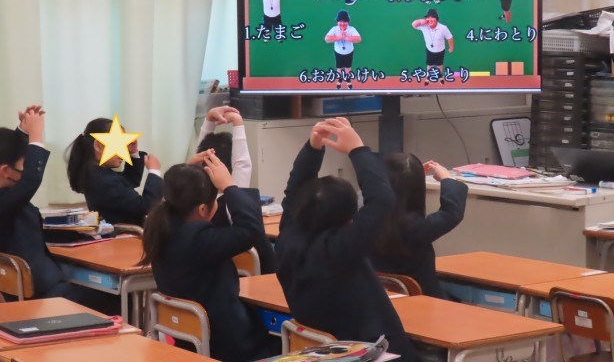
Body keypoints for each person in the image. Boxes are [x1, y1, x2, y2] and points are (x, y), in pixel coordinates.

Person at [276, 117, 419, 362]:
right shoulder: (341, 248)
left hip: (323, 354)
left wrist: (313, 147)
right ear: (348, 217)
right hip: (369, 352)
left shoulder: (288, 238)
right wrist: (357, 149)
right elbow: (382, 200)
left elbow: (294, 190)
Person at [140, 154, 278, 361]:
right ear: (203, 209)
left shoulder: (160, 230)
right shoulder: (198, 239)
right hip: (230, 347)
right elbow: (251, 229)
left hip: (190, 345)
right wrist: (229, 186)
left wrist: (186, 175)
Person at [0, 106, 118, 313]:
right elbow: (30, 180)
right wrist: (36, 136)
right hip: (43, 296)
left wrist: (22, 131)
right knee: (117, 298)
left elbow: (8, 156)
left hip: (37, 288)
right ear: (5, 171)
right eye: (25, 164)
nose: (27, 167)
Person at [370, 154, 467, 298]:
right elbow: (451, 213)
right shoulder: (417, 227)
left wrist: (405, 177)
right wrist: (447, 179)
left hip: (380, 300)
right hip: (423, 300)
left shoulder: (366, 220)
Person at [194, 105, 276, 274]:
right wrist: (238, 123)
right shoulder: (233, 203)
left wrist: (209, 121)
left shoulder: (192, 198)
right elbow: (242, 165)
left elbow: (198, 161)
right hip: (261, 279)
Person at [67, 117, 163, 226]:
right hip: (124, 235)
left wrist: (133, 153)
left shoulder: (98, 174)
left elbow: (130, 180)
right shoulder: (105, 181)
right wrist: (154, 171)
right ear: (98, 146)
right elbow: (146, 206)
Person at [411, 8, 454, 85]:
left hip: (440, 51)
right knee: (429, 64)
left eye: (432, 17)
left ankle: (440, 76)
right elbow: (413, 25)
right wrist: (420, 21)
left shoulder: (443, 28)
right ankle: (428, 76)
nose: (430, 19)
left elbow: (449, 37)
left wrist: (451, 47)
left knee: (439, 64)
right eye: (428, 17)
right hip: (429, 50)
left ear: (436, 19)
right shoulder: (424, 26)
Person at [325, 9, 361, 90]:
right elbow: (327, 39)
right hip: (338, 52)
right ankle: (340, 79)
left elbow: (358, 39)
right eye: (340, 21)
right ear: (337, 21)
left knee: (348, 67)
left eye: (345, 21)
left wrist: (346, 37)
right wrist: (339, 37)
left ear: (348, 22)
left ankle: (348, 80)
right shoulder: (334, 29)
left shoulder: (351, 29)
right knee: (339, 67)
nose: (342, 23)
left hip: (349, 52)